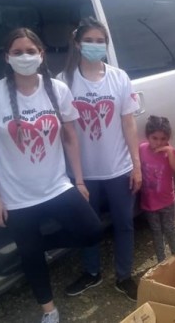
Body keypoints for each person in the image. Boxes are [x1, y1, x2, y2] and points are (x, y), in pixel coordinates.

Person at [0, 28, 102, 323]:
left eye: (30, 51)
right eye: (17, 52)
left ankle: (36, 245)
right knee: (31, 260)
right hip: (16, 197)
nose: (24, 57)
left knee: (92, 230)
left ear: (41, 55)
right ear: (7, 57)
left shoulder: (57, 90)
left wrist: (79, 181)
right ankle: (49, 310)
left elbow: (71, 137)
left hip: (57, 186)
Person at [58, 17, 142, 300]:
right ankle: (91, 272)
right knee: (88, 226)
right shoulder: (64, 81)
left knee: (124, 224)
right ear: (77, 43)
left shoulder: (119, 78)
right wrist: (76, 178)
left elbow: (129, 124)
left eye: (100, 41)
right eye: (89, 40)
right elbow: (65, 134)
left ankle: (124, 276)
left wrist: (136, 165)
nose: (95, 46)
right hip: (84, 174)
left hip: (119, 169)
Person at [139, 115, 175, 263]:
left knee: (170, 229)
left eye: (163, 139)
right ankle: (161, 262)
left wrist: (169, 151)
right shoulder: (142, 149)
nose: (159, 142)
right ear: (148, 136)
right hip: (149, 202)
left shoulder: (170, 152)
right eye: (154, 138)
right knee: (156, 232)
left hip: (167, 201)